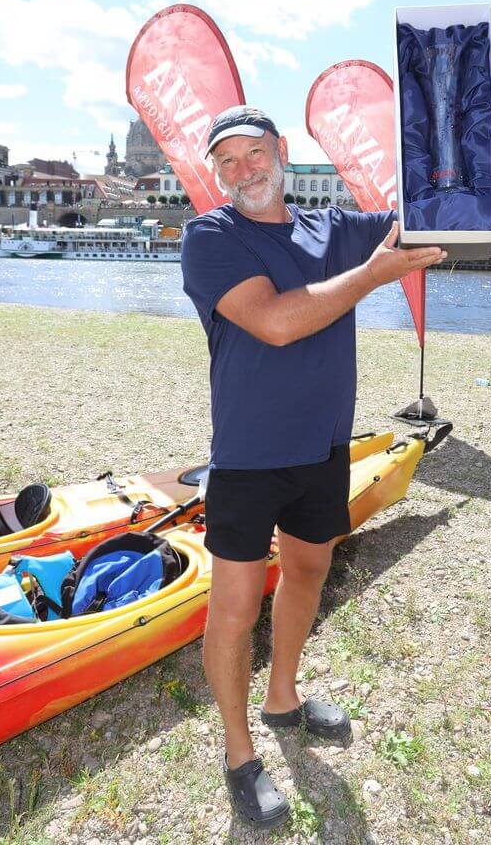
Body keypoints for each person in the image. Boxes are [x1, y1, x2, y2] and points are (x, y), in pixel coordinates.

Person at [180, 106, 446, 830]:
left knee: (305, 574)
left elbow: (428, 223)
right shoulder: (209, 237)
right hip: (245, 457)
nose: (242, 170)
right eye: (226, 161)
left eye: (253, 153)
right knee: (233, 611)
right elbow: (275, 320)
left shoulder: (335, 230)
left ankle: (283, 699)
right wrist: (370, 277)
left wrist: (453, 175)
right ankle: (239, 754)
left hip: (325, 450)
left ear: (281, 153)